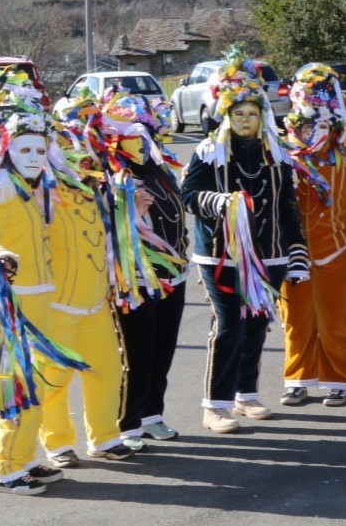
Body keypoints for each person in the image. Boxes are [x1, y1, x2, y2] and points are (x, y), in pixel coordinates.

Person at [0, 75, 94, 494]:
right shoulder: (0, 187)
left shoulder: (35, 186)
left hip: (41, 300)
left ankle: (23, 458)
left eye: (40, 149)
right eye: (24, 149)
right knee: (17, 387)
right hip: (13, 304)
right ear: (6, 149)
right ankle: (6, 468)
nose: (35, 156)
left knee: (34, 385)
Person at [182, 51, 308, 434]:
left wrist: (297, 253)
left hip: (269, 256)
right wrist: (218, 203)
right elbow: (189, 195)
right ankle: (215, 405)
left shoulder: (278, 156)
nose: (244, 120)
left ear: (262, 117)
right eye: (237, 114)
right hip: (221, 257)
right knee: (228, 326)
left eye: (251, 113)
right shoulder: (208, 153)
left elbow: (288, 206)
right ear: (226, 115)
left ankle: (245, 393)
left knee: (256, 324)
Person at [36, 94, 139, 467]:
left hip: (96, 302)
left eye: (88, 153)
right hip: (57, 305)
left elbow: (112, 240)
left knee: (105, 370)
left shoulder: (96, 192)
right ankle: (58, 443)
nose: (83, 160)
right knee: (55, 378)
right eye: (71, 151)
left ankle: (105, 437)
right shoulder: (44, 195)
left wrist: (132, 212)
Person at [279, 65, 346, 408]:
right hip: (294, 254)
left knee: (336, 322)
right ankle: (298, 380)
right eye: (307, 125)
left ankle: (339, 382)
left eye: (321, 124)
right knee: (296, 321)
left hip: (337, 252)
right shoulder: (283, 161)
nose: (313, 131)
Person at [97, 89, 190, 443]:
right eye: (127, 134)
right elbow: (99, 228)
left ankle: (152, 415)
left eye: (142, 132)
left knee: (161, 351)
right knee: (135, 354)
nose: (137, 140)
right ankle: (126, 423)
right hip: (132, 280)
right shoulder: (106, 175)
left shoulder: (160, 168)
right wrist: (128, 212)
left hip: (172, 276)